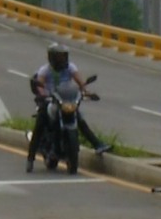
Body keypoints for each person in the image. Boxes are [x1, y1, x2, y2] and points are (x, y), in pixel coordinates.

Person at [27, 43, 109, 173]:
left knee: (80, 119)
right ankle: (30, 159)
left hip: (66, 100)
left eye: (63, 57)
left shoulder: (70, 67)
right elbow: (40, 84)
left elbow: (80, 82)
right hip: (51, 100)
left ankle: (98, 144)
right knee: (40, 125)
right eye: (58, 57)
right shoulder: (45, 70)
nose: (61, 60)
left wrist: (85, 92)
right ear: (52, 57)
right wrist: (42, 94)